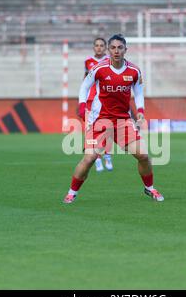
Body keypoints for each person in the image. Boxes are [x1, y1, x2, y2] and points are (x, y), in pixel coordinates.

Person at [63, 34, 164, 204]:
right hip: (99, 120)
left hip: (123, 121)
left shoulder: (134, 71)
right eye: (113, 48)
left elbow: (138, 92)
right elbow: (84, 86)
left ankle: (149, 188)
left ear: (125, 50)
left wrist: (140, 110)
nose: (116, 51)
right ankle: (72, 192)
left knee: (144, 156)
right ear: (109, 50)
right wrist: (82, 106)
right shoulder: (99, 68)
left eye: (120, 48)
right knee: (89, 159)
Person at [83, 38, 113, 172]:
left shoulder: (111, 61)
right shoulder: (88, 61)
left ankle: (107, 154)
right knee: (91, 129)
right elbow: (85, 81)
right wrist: (82, 100)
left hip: (106, 100)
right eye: (97, 45)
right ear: (93, 47)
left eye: (102, 45)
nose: (99, 48)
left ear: (106, 47)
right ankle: (97, 159)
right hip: (91, 100)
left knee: (107, 128)